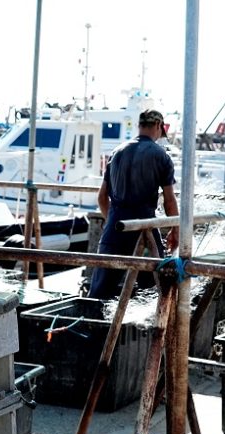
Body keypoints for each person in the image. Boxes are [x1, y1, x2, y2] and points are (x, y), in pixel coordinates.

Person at [87, 109, 179, 299]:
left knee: (99, 293)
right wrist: (175, 230)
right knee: (152, 294)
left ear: (139, 126)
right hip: (145, 231)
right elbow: (169, 200)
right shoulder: (161, 156)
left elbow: (102, 197)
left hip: (115, 229)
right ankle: (150, 329)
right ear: (157, 126)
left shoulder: (117, 152)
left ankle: (90, 326)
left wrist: (113, 221)